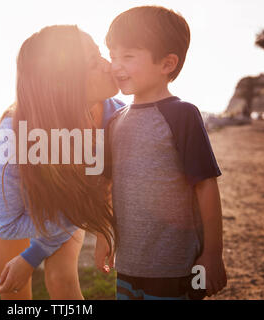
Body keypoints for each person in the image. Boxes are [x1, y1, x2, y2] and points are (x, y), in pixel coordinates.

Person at [0, 25, 123, 300]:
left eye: (101, 55)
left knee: (61, 280)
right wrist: (32, 255)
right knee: (12, 290)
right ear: (65, 83)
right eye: (94, 63)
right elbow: (7, 224)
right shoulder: (14, 136)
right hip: (19, 206)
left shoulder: (116, 116)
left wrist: (106, 232)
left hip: (70, 203)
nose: (108, 66)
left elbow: (104, 185)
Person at [95, 6, 228, 300]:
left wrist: (212, 254)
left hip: (176, 268)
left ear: (167, 63)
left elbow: (206, 185)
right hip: (128, 265)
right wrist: (103, 235)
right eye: (113, 55)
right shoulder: (115, 121)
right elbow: (106, 184)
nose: (116, 65)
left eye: (128, 56)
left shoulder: (183, 115)